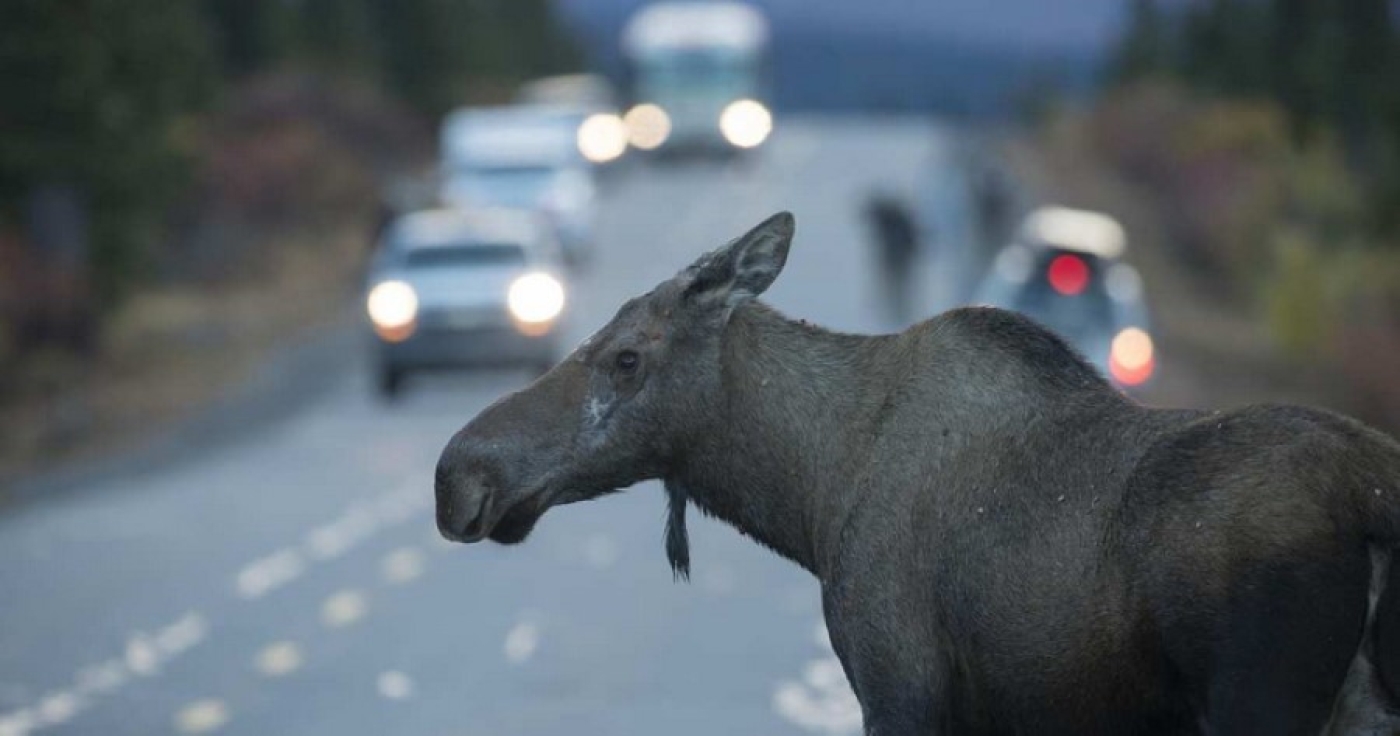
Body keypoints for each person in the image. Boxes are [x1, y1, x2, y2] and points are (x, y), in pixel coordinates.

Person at [863, 191, 919, 323]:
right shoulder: (891, 222)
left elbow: (908, 243)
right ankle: (894, 316)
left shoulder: (892, 222)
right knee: (895, 291)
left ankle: (899, 317)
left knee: (899, 290)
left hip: (898, 262)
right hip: (895, 260)